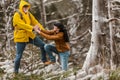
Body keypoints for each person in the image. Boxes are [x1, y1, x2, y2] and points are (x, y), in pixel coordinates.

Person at [13, 0, 48, 74]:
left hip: (30, 35)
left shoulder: (29, 14)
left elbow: (35, 22)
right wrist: (33, 28)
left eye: (26, 7)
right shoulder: (17, 15)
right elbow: (22, 25)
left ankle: (44, 61)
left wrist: (43, 30)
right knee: (19, 56)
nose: (25, 8)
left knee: (43, 45)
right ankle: (15, 72)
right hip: (21, 37)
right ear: (21, 7)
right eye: (24, 7)